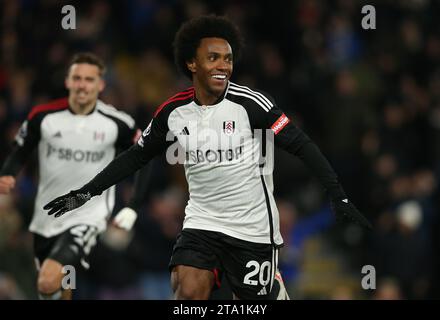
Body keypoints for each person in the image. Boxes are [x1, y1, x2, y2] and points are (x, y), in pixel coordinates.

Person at [44, 16, 371, 300]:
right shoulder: (173, 112)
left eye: (227, 58)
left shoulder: (251, 104)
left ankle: (272, 287)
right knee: (187, 288)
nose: (223, 66)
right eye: (213, 57)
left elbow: (303, 145)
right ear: (192, 63)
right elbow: (134, 158)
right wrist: (85, 192)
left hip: (252, 225)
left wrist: (338, 195)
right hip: (202, 222)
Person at [0, 52, 142, 300]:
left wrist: (132, 206)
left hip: (87, 214)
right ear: (67, 81)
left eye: (89, 79)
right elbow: (20, 149)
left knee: (48, 279)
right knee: (55, 287)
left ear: (101, 85)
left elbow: (144, 156)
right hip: (47, 213)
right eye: (77, 78)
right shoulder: (43, 117)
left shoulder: (117, 123)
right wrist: (8, 173)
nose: (82, 85)